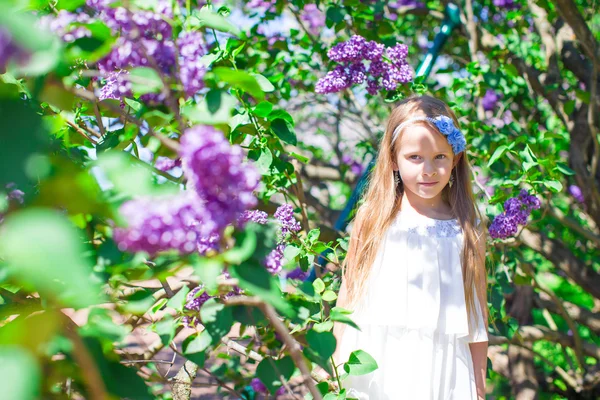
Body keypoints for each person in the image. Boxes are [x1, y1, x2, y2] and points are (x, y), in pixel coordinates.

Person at [332, 95, 489, 399]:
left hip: (441, 369)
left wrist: (479, 389)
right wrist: (335, 364)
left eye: (439, 157)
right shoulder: (374, 218)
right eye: (415, 157)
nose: (428, 170)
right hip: (374, 362)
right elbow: (348, 293)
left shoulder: (465, 228)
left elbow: (476, 313)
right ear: (393, 159)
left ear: (455, 159)